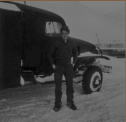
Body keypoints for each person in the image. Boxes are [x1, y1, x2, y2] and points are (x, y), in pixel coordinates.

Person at [47, 26, 78, 112]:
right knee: (58, 87)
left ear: (68, 34)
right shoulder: (56, 42)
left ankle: (70, 102)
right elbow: (49, 54)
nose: (64, 35)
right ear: (61, 34)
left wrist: (74, 63)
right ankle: (57, 104)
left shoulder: (71, 41)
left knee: (70, 86)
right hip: (59, 67)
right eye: (63, 33)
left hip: (68, 67)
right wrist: (53, 64)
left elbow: (76, 53)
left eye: (66, 33)